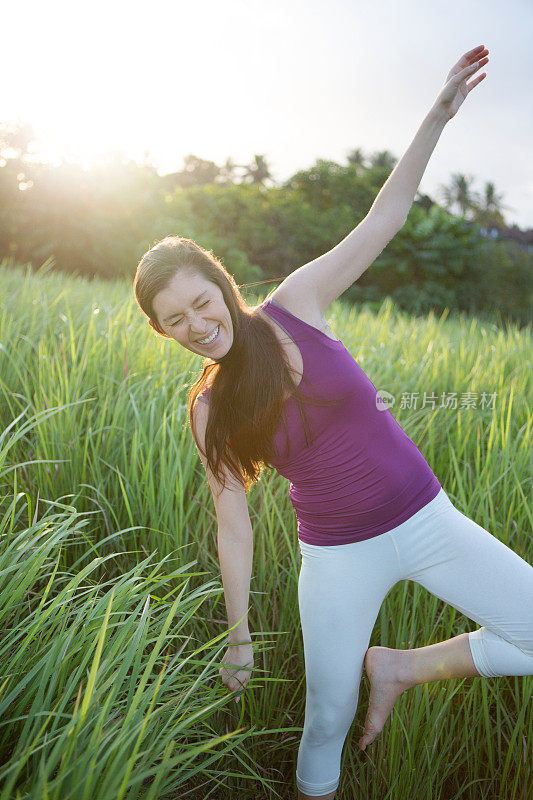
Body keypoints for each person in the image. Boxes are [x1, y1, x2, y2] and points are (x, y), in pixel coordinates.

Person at [133, 45, 532, 800]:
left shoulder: (296, 303)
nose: (195, 323)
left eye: (200, 302)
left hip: (427, 520)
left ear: (221, 286)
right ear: (164, 331)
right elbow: (233, 522)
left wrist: (436, 117)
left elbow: (383, 216)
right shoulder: (208, 406)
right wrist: (239, 632)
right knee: (324, 719)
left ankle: (404, 666)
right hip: (337, 558)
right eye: (174, 321)